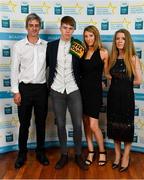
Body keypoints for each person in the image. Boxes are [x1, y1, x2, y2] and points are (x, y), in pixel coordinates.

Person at [46, 16, 88, 170]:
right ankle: (64, 155)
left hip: (73, 89)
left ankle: (78, 155)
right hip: (57, 90)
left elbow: (84, 67)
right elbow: (45, 66)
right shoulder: (51, 46)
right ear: (60, 28)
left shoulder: (78, 46)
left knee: (77, 124)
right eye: (65, 27)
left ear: (74, 30)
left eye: (71, 28)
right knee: (61, 124)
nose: (67, 31)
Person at [11, 13, 49, 169]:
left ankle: (40, 152)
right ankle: (22, 154)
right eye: (31, 25)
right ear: (27, 27)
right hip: (24, 89)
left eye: (36, 25)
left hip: (41, 89)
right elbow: (14, 70)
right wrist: (16, 91)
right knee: (24, 124)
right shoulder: (18, 46)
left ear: (40, 27)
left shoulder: (47, 46)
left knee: (41, 123)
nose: (34, 28)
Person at [107, 29, 142, 172]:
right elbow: (108, 75)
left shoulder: (133, 58)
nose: (120, 41)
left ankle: (126, 156)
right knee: (115, 128)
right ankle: (117, 155)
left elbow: (139, 80)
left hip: (127, 98)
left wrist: (124, 83)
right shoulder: (113, 58)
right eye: (117, 39)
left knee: (126, 128)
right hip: (113, 97)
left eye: (123, 38)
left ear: (127, 41)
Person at [80, 25, 109, 166]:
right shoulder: (81, 52)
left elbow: (107, 74)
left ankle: (102, 151)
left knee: (93, 124)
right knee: (85, 123)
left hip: (95, 93)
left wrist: (104, 82)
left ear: (96, 36)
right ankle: (91, 151)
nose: (88, 38)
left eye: (91, 35)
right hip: (81, 92)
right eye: (86, 36)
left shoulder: (103, 52)